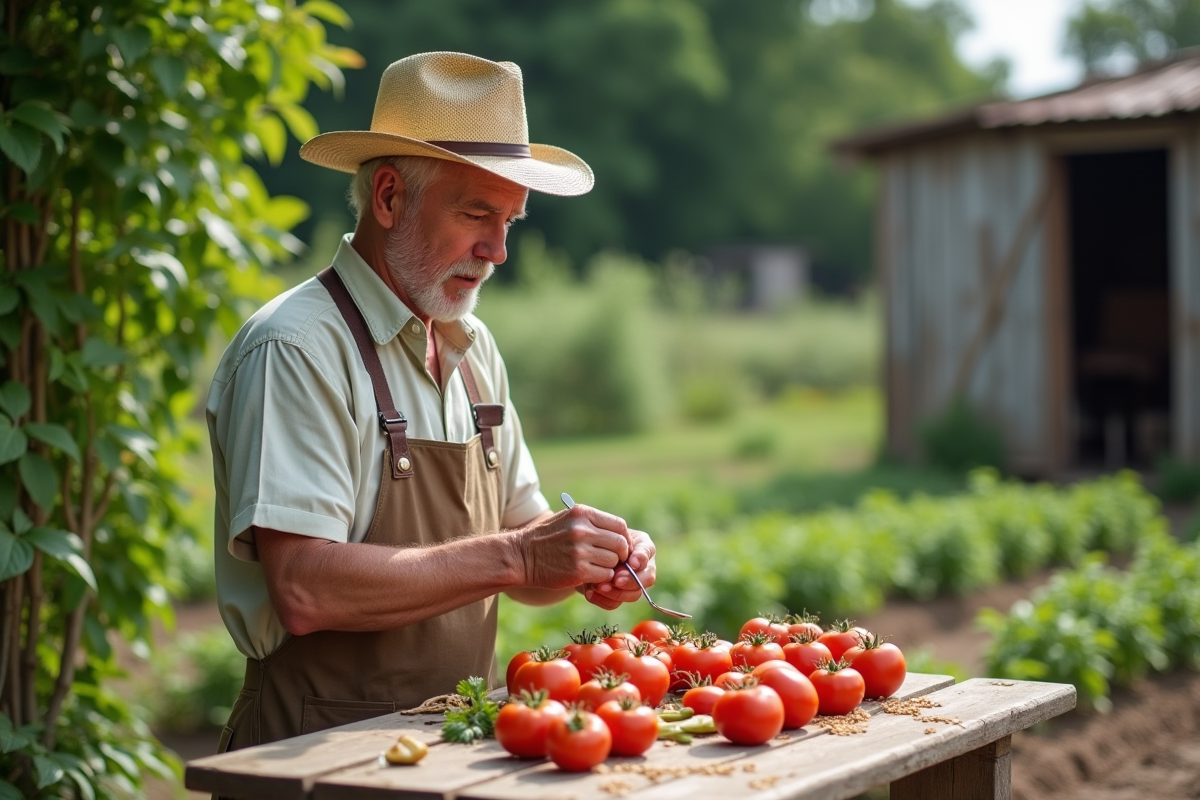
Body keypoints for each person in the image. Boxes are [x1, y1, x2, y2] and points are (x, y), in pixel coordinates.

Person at [205, 51, 657, 751]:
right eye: (478, 212)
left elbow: (523, 540)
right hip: (312, 757)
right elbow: (303, 589)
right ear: (388, 197)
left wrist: (584, 560)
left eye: (513, 220)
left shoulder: (473, 349)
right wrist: (518, 556)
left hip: (448, 747)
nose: (499, 250)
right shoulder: (295, 349)